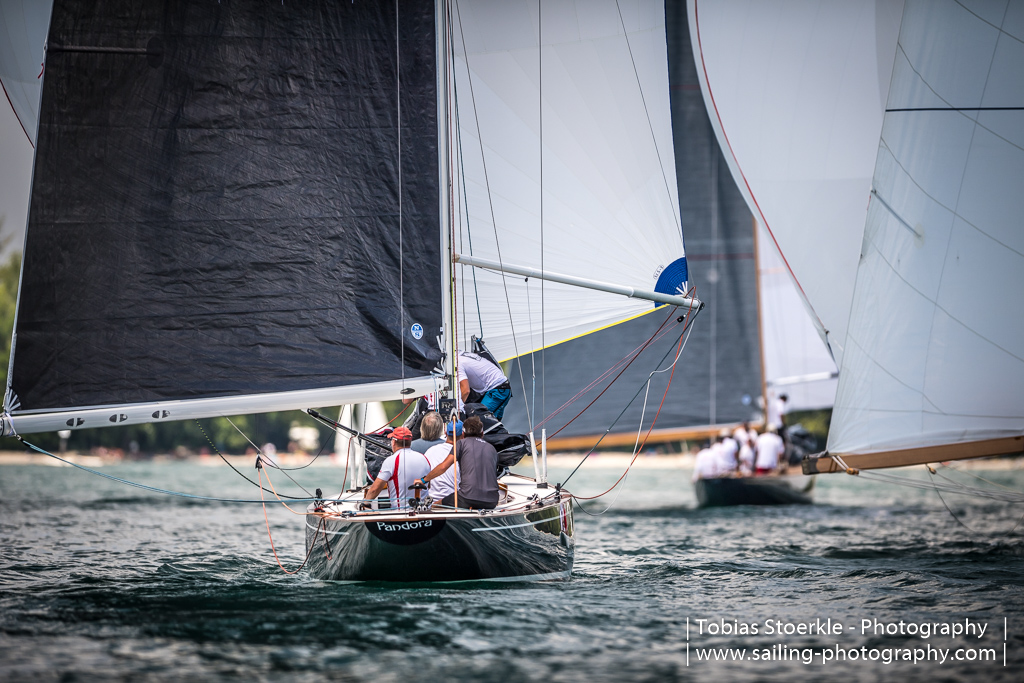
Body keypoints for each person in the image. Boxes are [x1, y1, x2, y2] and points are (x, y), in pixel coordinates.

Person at [415, 416, 498, 509]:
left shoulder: (461, 444)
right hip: (492, 500)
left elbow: (443, 467)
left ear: (463, 434)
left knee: (436, 505)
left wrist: (423, 480)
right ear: (482, 433)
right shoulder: (492, 448)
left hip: (467, 498)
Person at [361, 426, 431, 509]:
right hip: (424, 510)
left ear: (393, 442)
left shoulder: (391, 461)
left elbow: (374, 489)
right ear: (410, 442)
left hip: (400, 511)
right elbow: (428, 485)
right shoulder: (424, 458)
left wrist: (365, 503)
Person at [457, 351, 511, 419]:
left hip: (496, 390)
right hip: (500, 387)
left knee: (477, 420)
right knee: (492, 421)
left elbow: (465, 391)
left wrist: (458, 409)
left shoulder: (457, 363)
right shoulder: (461, 355)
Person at [422, 419, 462, 501]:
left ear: (446, 433)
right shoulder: (464, 454)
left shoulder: (430, 451)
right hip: (454, 503)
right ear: (463, 436)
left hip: (431, 501)